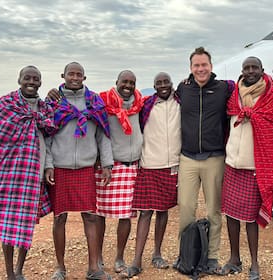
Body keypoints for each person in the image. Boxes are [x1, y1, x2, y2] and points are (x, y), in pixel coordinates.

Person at [219, 57, 273, 280]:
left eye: (254, 68)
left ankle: (255, 263)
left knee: (250, 218)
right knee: (230, 214)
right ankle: (234, 258)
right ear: (242, 71)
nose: (250, 71)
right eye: (246, 68)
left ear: (262, 70)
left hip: (254, 165)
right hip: (232, 163)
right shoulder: (234, 95)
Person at [45, 62, 114, 280]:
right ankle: (60, 268)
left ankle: (93, 268)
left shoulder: (94, 101)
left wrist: (107, 164)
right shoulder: (54, 102)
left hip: (85, 167)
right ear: (63, 76)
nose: (74, 77)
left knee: (91, 217)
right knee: (59, 218)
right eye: (71, 74)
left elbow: (103, 134)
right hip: (60, 167)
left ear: (84, 78)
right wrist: (47, 165)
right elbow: (46, 136)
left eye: (79, 74)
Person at [0, 66, 55, 280]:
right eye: (27, 78)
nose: (31, 82)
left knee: (25, 223)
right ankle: (9, 273)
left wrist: (48, 166)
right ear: (19, 80)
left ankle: (19, 270)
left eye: (36, 79)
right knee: (8, 224)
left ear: (41, 83)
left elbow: (47, 141)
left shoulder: (45, 109)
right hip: (7, 174)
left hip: (32, 176)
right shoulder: (7, 105)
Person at [176, 46, 234, 274]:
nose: (201, 69)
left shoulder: (223, 89)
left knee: (213, 211)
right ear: (191, 68)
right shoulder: (183, 88)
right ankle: (186, 256)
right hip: (187, 157)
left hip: (214, 157)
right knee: (186, 209)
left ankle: (211, 257)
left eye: (204, 65)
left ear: (211, 66)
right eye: (196, 65)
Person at [122, 72, 181, 278]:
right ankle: (136, 260)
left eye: (166, 82)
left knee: (163, 210)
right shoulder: (146, 105)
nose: (163, 85)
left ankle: (157, 254)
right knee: (146, 211)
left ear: (171, 84)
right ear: (154, 86)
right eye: (159, 83)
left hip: (172, 164)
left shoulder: (180, 103)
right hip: (148, 164)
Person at [95, 70, 143, 275]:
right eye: (124, 81)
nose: (128, 85)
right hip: (109, 166)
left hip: (131, 165)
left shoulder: (140, 102)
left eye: (132, 82)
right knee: (100, 215)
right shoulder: (103, 101)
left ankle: (119, 257)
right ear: (117, 82)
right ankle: (96, 258)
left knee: (126, 216)